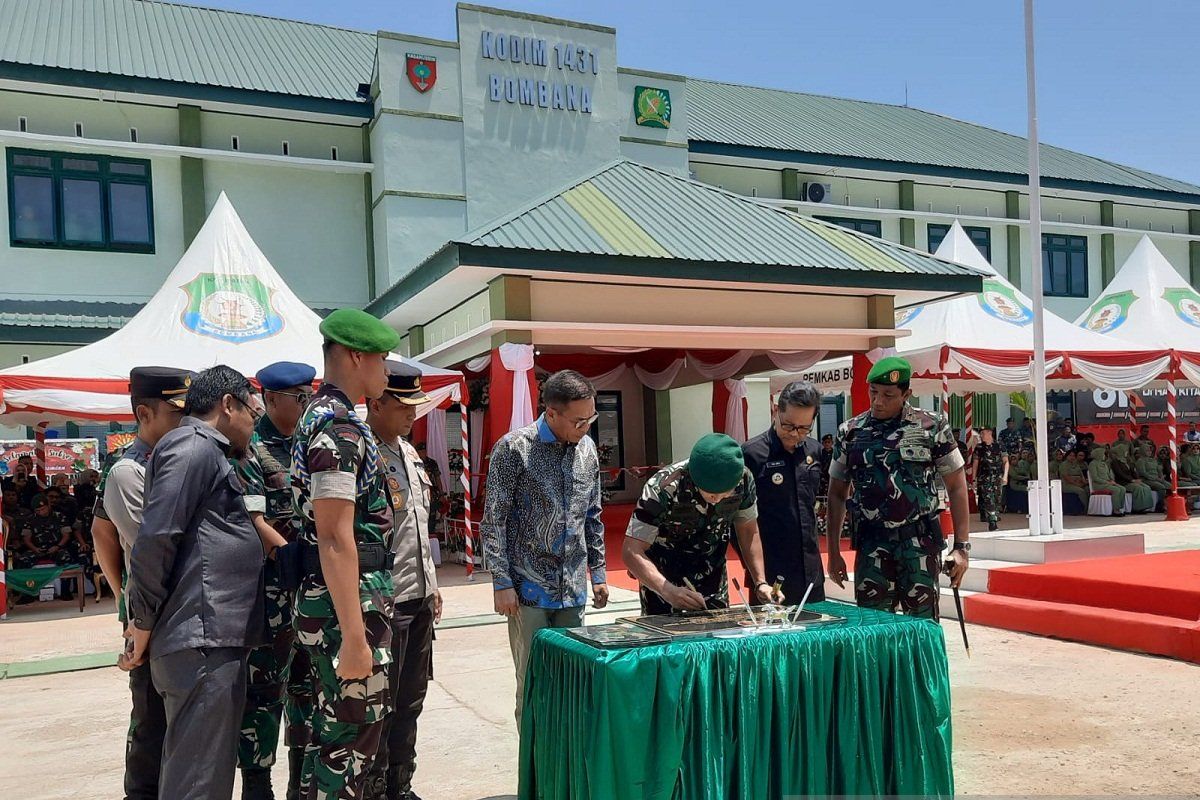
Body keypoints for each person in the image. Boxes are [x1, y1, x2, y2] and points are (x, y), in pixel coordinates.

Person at [122, 366, 265, 800]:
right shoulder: (192, 445)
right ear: (227, 404)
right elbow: (156, 538)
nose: (253, 424)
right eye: (251, 413)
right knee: (198, 782)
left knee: (202, 773)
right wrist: (140, 624)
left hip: (209, 636)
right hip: (199, 636)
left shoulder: (206, 449)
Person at [290, 309, 400, 799]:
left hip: (333, 600)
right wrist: (356, 638)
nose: (386, 373)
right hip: (347, 606)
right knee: (353, 739)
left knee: (331, 734)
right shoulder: (338, 430)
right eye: (381, 360)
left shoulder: (321, 416)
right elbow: (334, 536)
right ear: (357, 357)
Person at [481, 369, 608, 725]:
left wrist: (597, 573)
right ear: (551, 413)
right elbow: (494, 520)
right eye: (579, 420)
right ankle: (534, 772)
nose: (585, 428)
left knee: (576, 681)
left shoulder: (588, 449)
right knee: (534, 683)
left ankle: (568, 765)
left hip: (573, 589)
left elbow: (593, 515)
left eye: (591, 419)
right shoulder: (513, 449)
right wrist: (502, 582)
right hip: (528, 589)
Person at [101, 367, 190, 800]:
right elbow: (154, 552)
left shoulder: (180, 461)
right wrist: (124, 600)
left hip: (183, 618)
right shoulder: (129, 472)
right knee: (152, 726)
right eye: (175, 413)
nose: (184, 421)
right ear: (144, 413)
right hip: (154, 618)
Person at [228, 360, 315, 800]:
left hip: (311, 593)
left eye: (309, 395)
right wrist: (290, 553)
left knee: (309, 687)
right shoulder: (250, 449)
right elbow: (252, 518)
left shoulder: (310, 445)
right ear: (272, 399)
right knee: (264, 695)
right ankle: (258, 785)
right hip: (270, 596)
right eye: (298, 397)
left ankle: (301, 782)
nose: (306, 404)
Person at [825, 357, 970, 618]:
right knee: (873, 630)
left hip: (919, 545)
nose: (878, 401)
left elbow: (957, 486)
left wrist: (961, 547)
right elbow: (836, 493)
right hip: (872, 546)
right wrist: (833, 552)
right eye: (873, 392)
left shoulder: (932, 426)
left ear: (907, 394)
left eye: (888, 395)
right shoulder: (851, 432)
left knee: (922, 628)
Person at [364, 361, 443, 800]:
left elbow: (417, 525)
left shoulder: (409, 454)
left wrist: (432, 587)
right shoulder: (363, 453)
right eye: (403, 405)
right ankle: (374, 789)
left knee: (410, 700)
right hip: (383, 601)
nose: (412, 414)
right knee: (381, 705)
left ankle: (401, 786)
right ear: (376, 403)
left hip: (418, 598)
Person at [624, 433, 780, 614]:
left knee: (717, 638)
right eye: (710, 494)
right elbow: (631, 550)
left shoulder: (743, 479)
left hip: (712, 577)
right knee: (667, 640)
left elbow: (748, 529)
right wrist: (667, 590)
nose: (716, 500)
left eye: (724, 495)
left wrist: (760, 582)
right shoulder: (663, 487)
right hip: (662, 581)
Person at [741, 381, 826, 603]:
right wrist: (758, 577)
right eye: (788, 425)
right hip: (771, 574)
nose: (795, 434)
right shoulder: (752, 454)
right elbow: (740, 522)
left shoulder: (815, 451)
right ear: (776, 411)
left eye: (804, 428)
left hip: (810, 572)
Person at [14, 493, 73, 568]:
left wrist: (57, 546)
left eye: (43, 509)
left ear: (48, 506)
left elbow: (66, 536)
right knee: (22, 560)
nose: (41, 512)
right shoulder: (29, 520)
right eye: (38, 511)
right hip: (37, 549)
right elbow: (26, 539)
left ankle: (66, 579)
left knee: (65, 558)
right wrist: (35, 549)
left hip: (56, 548)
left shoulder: (60, 516)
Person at [972, 427, 1007, 531]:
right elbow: (975, 464)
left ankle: (994, 516)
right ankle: (992, 522)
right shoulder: (979, 447)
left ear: (990, 433)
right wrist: (974, 479)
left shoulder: (999, 445)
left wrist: (1005, 476)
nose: (981, 435)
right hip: (984, 477)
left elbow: (1006, 461)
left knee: (997, 499)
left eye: (983, 433)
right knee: (988, 498)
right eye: (980, 433)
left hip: (997, 477)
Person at [1111, 447, 1155, 513]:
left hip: (1132, 480)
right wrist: (1132, 480)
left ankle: (1145, 506)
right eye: (1125, 451)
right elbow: (1120, 473)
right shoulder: (1115, 462)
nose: (1126, 452)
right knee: (1138, 488)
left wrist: (1137, 479)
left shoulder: (1127, 461)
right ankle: (1137, 508)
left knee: (1146, 487)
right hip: (1123, 482)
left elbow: (1133, 471)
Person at [1087, 446, 1128, 517]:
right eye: (1103, 454)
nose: (1104, 456)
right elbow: (1095, 478)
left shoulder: (1104, 464)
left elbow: (1108, 475)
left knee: (1123, 489)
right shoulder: (1092, 464)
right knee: (1116, 490)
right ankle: (1115, 510)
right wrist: (1107, 482)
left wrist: (1112, 481)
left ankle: (1120, 508)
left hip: (1108, 483)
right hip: (1099, 485)